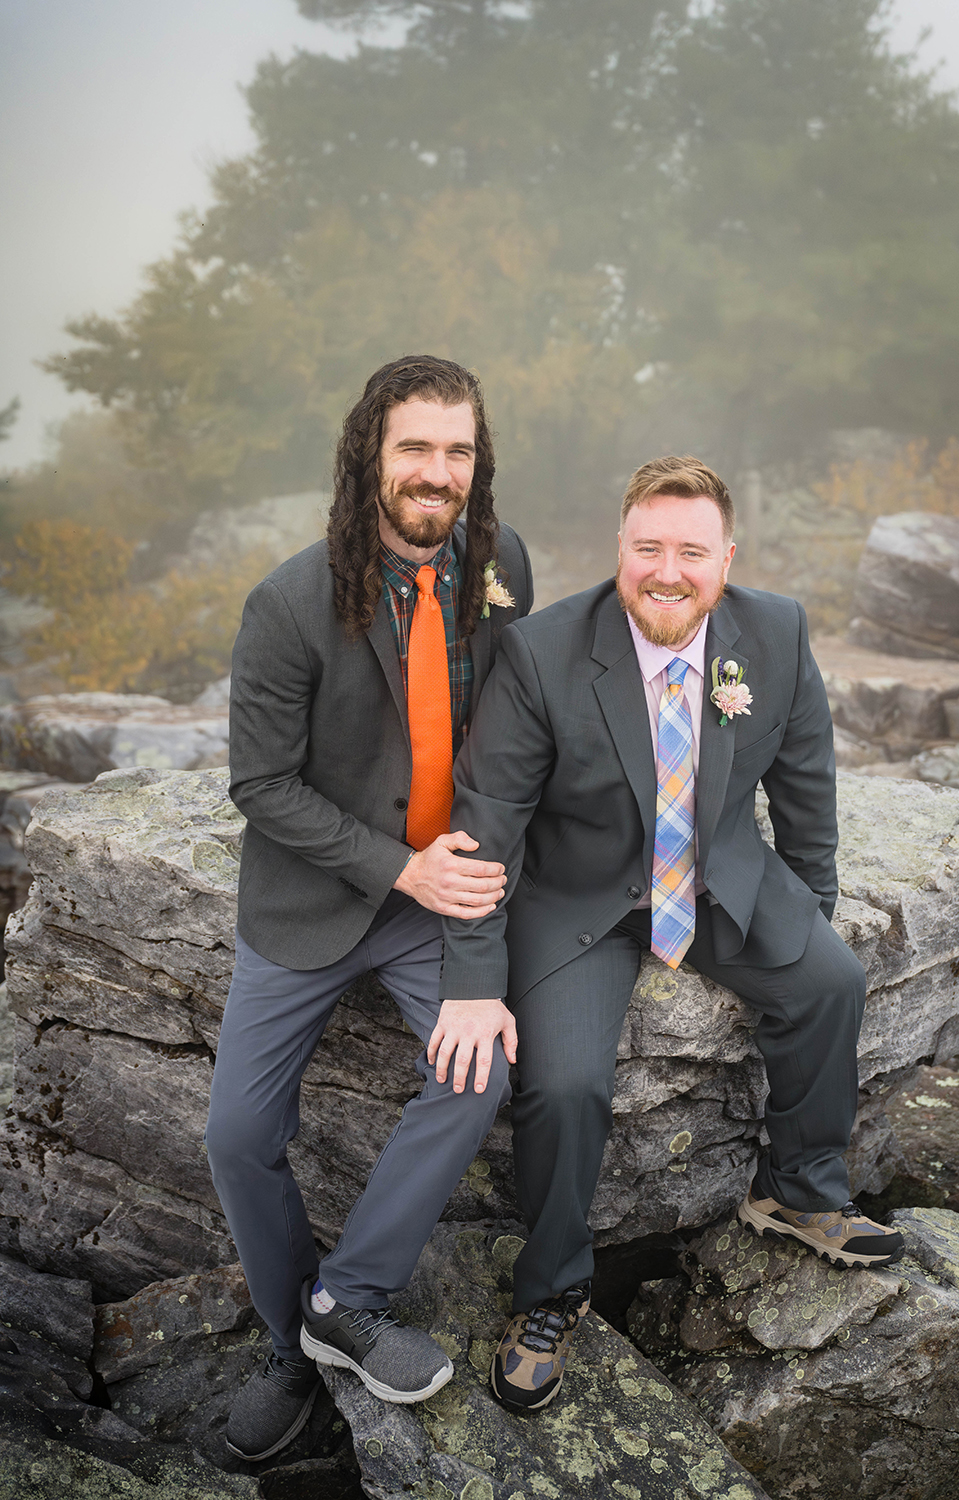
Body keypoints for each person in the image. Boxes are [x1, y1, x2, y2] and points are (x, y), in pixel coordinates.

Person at [434, 454, 904, 1415]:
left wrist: (811, 907)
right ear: (621, 549)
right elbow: (487, 830)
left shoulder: (775, 632)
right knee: (563, 1084)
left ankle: (800, 1189)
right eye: (647, 547)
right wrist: (475, 979)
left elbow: (805, 786)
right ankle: (551, 1291)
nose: (667, 570)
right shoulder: (543, 652)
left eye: (691, 551)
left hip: (723, 870)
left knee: (831, 982)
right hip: (581, 896)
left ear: (726, 558)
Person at [206, 355, 532, 1461]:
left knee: (479, 1064)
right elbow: (259, 787)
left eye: (457, 451)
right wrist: (398, 869)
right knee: (238, 1135)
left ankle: (345, 1301)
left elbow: (511, 745)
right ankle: (286, 1338)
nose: (436, 473)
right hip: (314, 898)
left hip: (439, 900)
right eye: (414, 449)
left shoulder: (502, 567)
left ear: (475, 464)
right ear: (369, 457)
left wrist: (476, 946)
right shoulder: (288, 604)